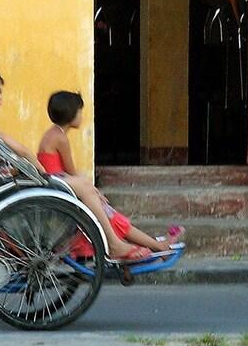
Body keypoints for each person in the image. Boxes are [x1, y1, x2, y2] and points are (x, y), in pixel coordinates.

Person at [0, 69, 155, 261]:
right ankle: (114, 244)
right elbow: (22, 150)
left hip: (11, 181)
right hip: (12, 186)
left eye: (0, 91)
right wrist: (40, 173)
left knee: (83, 186)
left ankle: (113, 241)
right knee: (84, 186)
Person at [36, 89, 180, 255]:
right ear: (71, 114)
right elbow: (71, 171)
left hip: (60, 182)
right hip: (60, 183)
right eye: (80, 112)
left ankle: (152, 245)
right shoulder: (60, 137)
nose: (82, 116)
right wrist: (92, 190)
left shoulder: (53, 133)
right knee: (109, 214)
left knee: (108, 211)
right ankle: (132, 245)